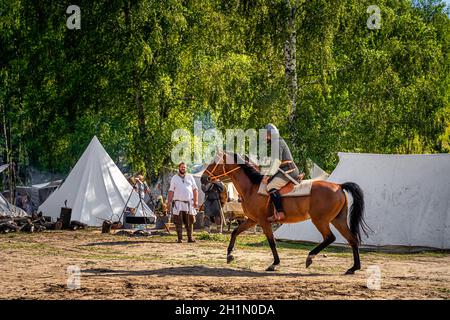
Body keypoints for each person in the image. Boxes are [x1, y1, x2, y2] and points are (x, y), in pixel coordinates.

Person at [262, 123, 301, 222]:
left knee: (270, 187)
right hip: (284, 170)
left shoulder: (277, 142)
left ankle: (280, 212)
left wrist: (268, 176)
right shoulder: (276, 142)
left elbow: (277, 161)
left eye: (266, 134)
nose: (265, 136)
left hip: (289, 171)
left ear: (270, 133)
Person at [167, 162, 199, 243]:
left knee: (190, 222)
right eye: (181, 167)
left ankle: (190, 238)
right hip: (178, 203)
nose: (183, 168)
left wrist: (196, 201)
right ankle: (180, 238)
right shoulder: (174, 178)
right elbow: (171, 190)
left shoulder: (190, 177)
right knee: (178, 221)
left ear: (186, 168)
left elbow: (195, 190)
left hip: (189, 203)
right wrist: (169, 202)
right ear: (179, 168)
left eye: (184, 167)